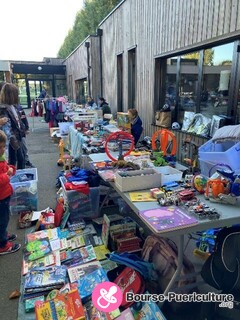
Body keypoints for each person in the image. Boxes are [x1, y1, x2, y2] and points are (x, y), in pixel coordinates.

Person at [0, 130, 21, 255]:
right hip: (1, 196)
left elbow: (5, 168)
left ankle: (3, 235)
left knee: (4, 218)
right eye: (0, 147)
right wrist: (7, 175)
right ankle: (3, 245)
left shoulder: (1, 158)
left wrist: (11, 169)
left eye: (3, 146)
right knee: (2, 220)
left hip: (4, 194)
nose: (3, 150)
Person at [0, 83, 25, 169]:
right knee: (16, 160)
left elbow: (18, 121)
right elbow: (7, 128)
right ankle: (14, 178)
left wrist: (23, 130)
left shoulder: (13, 106)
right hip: (11, 139)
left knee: (19, 159)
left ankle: (16, 176)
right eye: (16, 94)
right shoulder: (2, 108)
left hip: (17, 137)